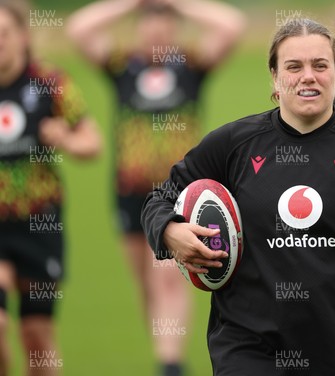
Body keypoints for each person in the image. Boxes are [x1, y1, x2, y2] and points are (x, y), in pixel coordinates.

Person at [142, 18, 335, 375]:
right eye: (294, 66)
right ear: (275, 77)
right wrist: (168, 230)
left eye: (320, 65)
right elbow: (160, 197)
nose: (308, 76)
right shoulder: (234, 145)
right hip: (249, 349)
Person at [66, 1, 245, 374]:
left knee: (166, 275)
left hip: (177, 193)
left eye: (165, 29)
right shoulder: (122, 66)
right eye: (149, 28)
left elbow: (232, 25)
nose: (157, 36)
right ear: (137, 31)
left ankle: (170, 364)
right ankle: (166, 352)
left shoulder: (190, 66)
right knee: (147, 282)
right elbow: (78, 29)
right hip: (129, 192)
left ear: (175, 32)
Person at [0, 1, 102, 375]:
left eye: (4, 34)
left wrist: (66, 139)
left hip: (39, 222)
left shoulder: (49, 82)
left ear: (23, 36)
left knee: (37, 336)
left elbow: (92, 141)